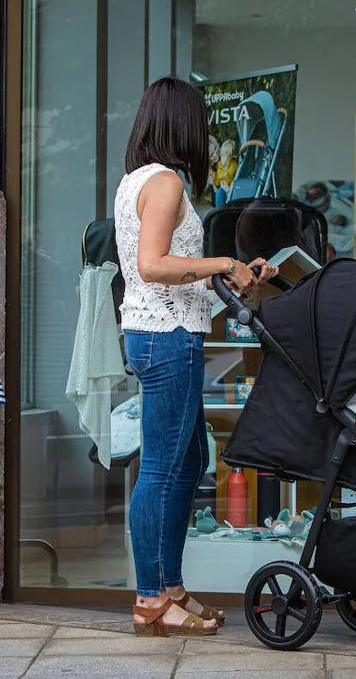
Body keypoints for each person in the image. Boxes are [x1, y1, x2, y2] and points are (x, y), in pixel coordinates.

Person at [115, 77, 277, 637]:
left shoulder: (139, 180)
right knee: (161, 469)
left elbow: (172, 279)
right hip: (166, 341)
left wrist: (243, 279)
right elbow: (152, 265)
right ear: (183, 125)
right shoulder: (163, 183)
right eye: (201, 125)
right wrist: (221, 263)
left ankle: (170, 587)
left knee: (185, 464)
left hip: (162, 333)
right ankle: (150, 599)